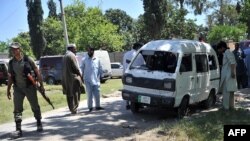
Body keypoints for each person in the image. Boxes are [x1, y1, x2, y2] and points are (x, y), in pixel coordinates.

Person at [6, 42, 44, 139]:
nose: (14, 51)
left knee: (35, 105)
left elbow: (37, 72)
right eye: (12, 49)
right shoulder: (11, 63)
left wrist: (41, 85)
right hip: (18, 88)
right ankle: (18, 129)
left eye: (16, 49)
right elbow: (10, 77)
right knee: (17, 109)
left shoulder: (28, 59)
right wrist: (8, 89)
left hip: (30, 87)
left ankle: (39, 122)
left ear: (20, 49)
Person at [81, 46, 104, 112]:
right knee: (89, 94)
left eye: (92, 50)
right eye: (89, 50)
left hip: (96, 80)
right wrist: (81, 77)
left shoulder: (97, 59)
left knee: (97, 94)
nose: (91, 52)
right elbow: (81, 68)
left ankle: (98, 106)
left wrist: (101, 76)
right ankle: (90, 107)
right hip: (87, 80)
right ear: (87, 51)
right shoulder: (84, 59)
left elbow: (100, 68)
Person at [62, 44, 83, 115]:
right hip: (73, 78)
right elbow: (76, 68)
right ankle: (75, 109)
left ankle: (71, 109)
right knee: (76, 93)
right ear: (71, 49)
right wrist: (80, 75)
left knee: (69, 94)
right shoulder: (71, 55)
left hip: (66, 79)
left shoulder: (64, 56)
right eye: (75, 49)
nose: (76, 50)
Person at [217, 41, 237, 110]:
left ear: (222, 48)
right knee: (231, 91)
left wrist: (232, 72)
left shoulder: (227, 52)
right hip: (228, 74)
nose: (219, 51)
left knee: (226, 92)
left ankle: (226, 107)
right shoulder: (227, 53)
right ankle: (231, 107)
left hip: (228, 75)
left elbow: (233, 63)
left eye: (219, 49)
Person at [122, 42, 143, 109]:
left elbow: (124, 65)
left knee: (127, 89)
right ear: (138, 47)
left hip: (126, 75)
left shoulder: (126, 54)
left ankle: (127, 104)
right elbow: (143, 64)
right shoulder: (138, 55)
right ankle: (137, 104)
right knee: (136, 90)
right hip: (135, 76)